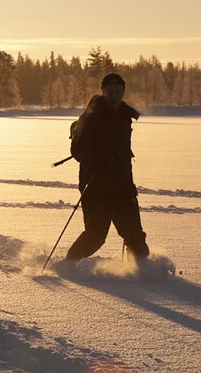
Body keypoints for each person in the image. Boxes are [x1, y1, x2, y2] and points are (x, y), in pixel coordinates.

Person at [66, 73, 149, 261]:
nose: (114, 95)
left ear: (123, 92)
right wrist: (95, 160)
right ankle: (69, 264)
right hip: (95, 186)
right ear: (103, 91)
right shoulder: (90, 116)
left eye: (118, 91)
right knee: (95, 237)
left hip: (122, 186)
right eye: (110, 91)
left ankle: (142, 274)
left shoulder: (125, 115)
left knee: (135, 237)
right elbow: (77, 150)